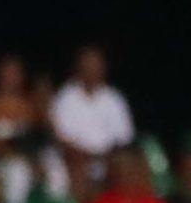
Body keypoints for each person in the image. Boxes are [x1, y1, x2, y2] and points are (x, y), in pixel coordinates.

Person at [48, 45, 135, 189]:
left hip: (108, 159)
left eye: (96, 65)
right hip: (77, 159)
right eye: (88, 65)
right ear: (78, 67)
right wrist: (87, 157)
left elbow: (124, 138)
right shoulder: (65, 97)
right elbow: (61, 138)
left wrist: (105, 157)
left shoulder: (114, 98)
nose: (92, 69)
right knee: (74, 164)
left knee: (127, 162)